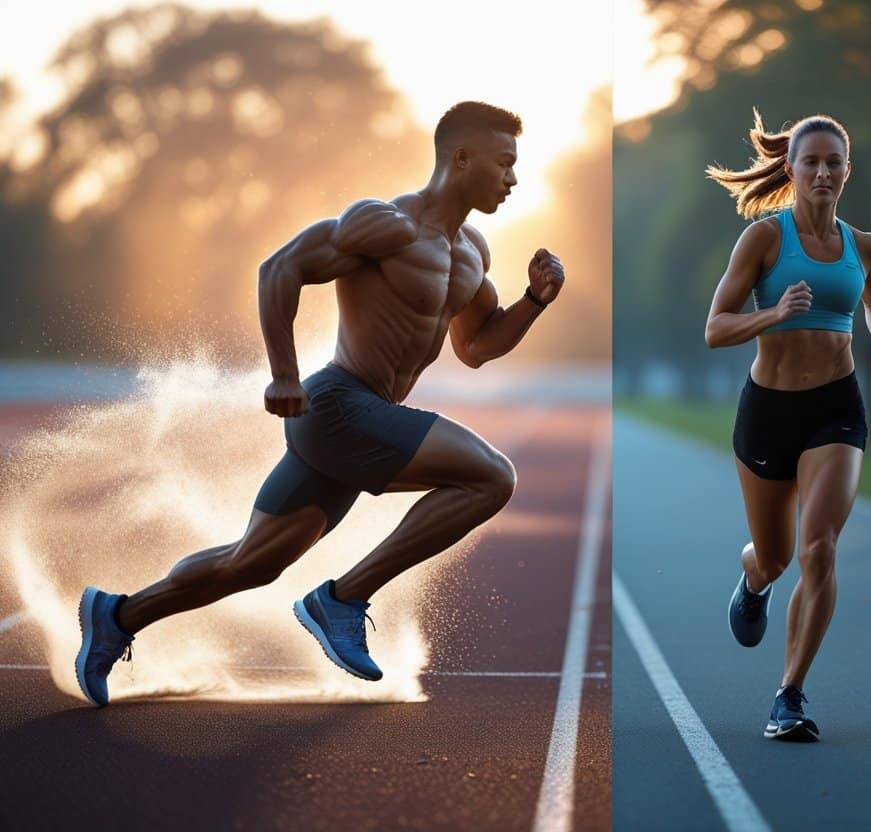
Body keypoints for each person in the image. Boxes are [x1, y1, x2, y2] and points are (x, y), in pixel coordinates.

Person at [75, 101, 566, 707]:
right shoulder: (386, 225)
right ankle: (344, 598)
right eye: (503, 164)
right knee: (493, 477)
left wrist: (534, 302)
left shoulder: (472, 252)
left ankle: (117, 617)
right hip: (336, 404)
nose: (514, 179)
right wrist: (284, 374)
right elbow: (279, 268)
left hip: (354, 425)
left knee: (249, 564)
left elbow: (475, 346)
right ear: (461, 158)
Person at [704, 110, 871, 742]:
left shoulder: (864, 245)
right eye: (810, 161)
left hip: (835, 411)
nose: (822, 171)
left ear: (848, 172)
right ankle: (754, 580)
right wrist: (773, 315)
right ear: (790, 170)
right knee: (777, 555)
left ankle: (788, 695)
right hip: (768, 413)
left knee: (819, 547)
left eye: (833, 162)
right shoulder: (765, 239)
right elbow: (715, 328)